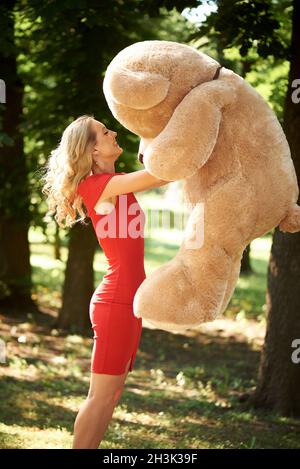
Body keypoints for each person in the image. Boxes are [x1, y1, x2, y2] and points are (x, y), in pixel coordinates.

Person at [42, 114, 169, 449]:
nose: (113, 133)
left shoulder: (119, 182)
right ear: (92, 151)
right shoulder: (96, 186)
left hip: (130, 302)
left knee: (111, 395)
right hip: (115, 303)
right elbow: (161, 174)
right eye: (104, 131)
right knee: (100, 396)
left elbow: (156, 173)